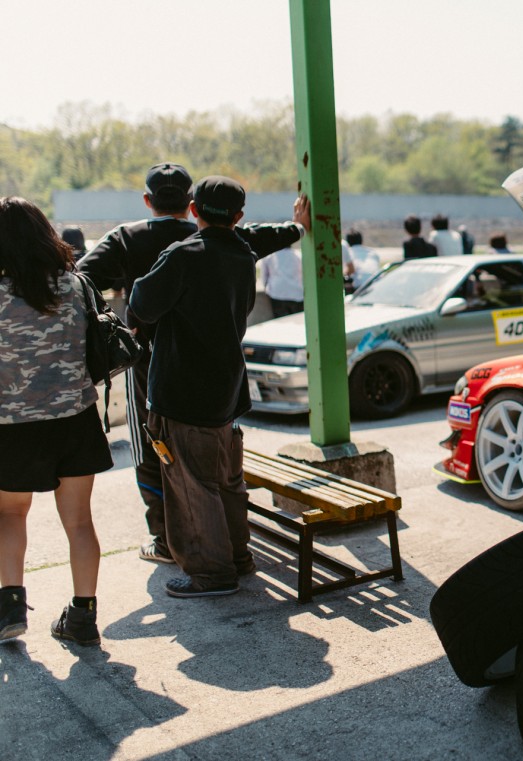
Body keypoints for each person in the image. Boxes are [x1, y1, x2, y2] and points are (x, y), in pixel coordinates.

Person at [77, 163, 308, 567]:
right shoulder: (233, 243)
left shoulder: (132, 240)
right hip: (224, 374)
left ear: (149, 201)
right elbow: (267, 236)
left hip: (157, 367)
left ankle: (170, 542)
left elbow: (83, 281)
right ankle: (233, 552)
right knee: (221, 470)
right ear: (190, 205)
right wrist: (299, 228)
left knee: (159, 457)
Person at [130, 177, 310, 599]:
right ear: (238, 216)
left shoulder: (182, 255)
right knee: (228, 482)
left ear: (193, 210)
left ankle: (211, 575)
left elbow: (141, 305)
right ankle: (238, 557)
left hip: (183, 393)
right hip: (227, 389)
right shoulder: (241, 254)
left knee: (194, 487)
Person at [0, 196, 113, 646]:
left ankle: (10, 608)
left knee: (9, 513)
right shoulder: (76, 286)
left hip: (12, 423)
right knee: (79, 521)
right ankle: (83, 617)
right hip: (74, 417)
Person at [261, 245, 304, 317]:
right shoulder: (298, 255)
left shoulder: (270, 256)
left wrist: (266, 286)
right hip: (297, 294)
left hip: (277, 293)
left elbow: (264, 276)